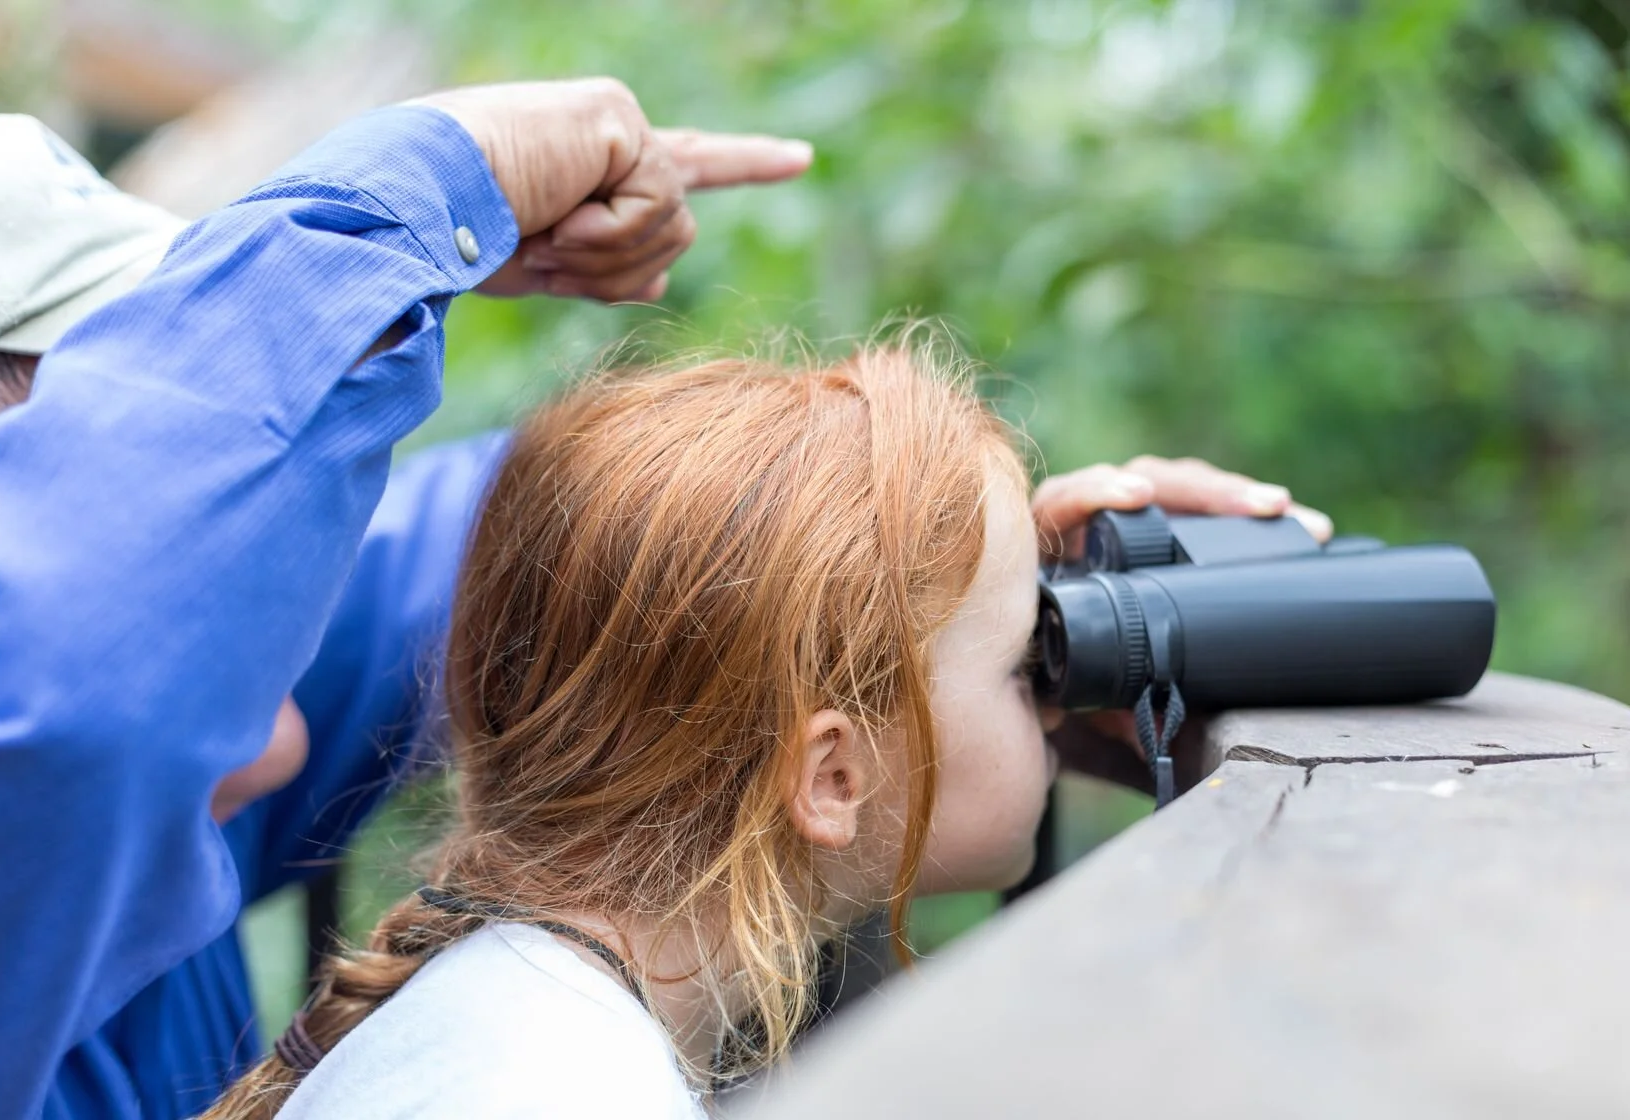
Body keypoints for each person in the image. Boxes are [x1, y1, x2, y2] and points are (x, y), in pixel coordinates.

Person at [0, 81, 818, 1120]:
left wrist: (921, 545)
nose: (271, 741)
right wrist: (426, 192)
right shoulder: (63, 752)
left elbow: (556, 543)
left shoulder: (143, 755)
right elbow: (72, 705)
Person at [200, 335, 1332, 1120]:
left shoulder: (522, 1021)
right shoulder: (564, 1085)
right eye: (1025, 658)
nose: (1056, 689)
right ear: (830, 774)